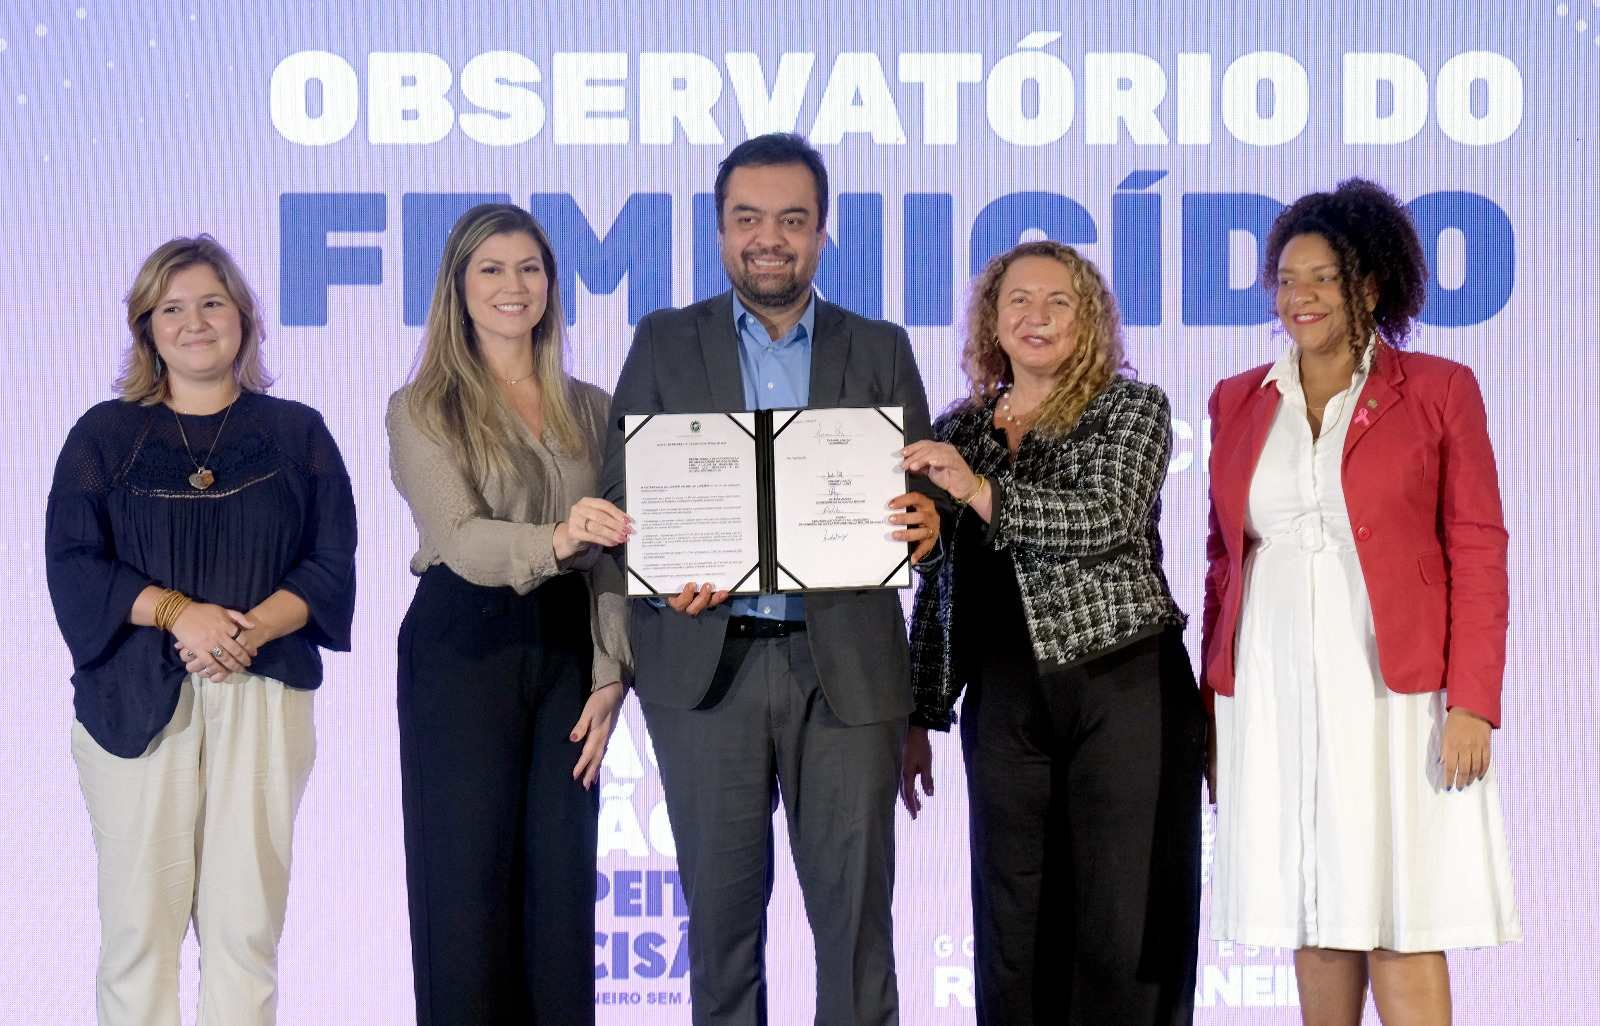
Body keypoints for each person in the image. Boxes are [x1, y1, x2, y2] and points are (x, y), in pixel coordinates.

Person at [600, 132, 941, 1026]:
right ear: (720, 231)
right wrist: (661, 570)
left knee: (857, 932)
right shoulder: (665, 340)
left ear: (822, 232)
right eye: (748, 218)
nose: (769, 239)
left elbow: (922, 500)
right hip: (703, 668)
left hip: (848, 670)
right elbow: (621, 496)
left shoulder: (881, 346)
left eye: (792, 220)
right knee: (720, 937)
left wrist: (929, 523)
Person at [1202, 179, 1521, 1026]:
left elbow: (1479, 549)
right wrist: (1214, 710)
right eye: (1286, 279)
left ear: (1369, 287)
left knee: (1399, 924)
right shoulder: (1238, 398)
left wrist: (1473, 703)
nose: (1299, 297)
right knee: (1313, 918)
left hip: (1395, 693)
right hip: (1273, 691)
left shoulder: (1440, 389)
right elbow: (1223, 564)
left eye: (1323, 278)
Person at [44, 235, 357, 1026]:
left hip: (263, 691)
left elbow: (330, 563)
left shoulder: (298, 433)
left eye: (212, 303)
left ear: (243, 317)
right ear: (147, 329)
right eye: (172, 309)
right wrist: (181, 614)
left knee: (245, 933)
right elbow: (74, 563)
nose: (194, 323)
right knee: (138, 935)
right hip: (132, 702)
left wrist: (244, 633)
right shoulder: (102, 437)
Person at [900, 240, 1203, 1025]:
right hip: (1004, 702)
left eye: (1058, 301)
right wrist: (918, 713)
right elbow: (940, 584)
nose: (1036, 316)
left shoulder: (1130, 408)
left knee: (1127, 924)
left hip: (1123, 684)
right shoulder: (960, 430)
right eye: (1019, 301)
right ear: (992, 320)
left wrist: (979, 491)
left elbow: (1106, 518)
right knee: (1013, 927)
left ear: (1088, 318)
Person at [386, 202, 631, 1026]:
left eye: (529, 268)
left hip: (567, 648)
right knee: (464, 898)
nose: (512, 285)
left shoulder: (594, 407)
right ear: (457, 287)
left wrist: (612, 671)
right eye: (490, 269)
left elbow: (617, 554)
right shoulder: (422, 408)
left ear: (552, 285)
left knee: (560, 898)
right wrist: (559, 537)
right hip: (465, 645)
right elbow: (458, 537)